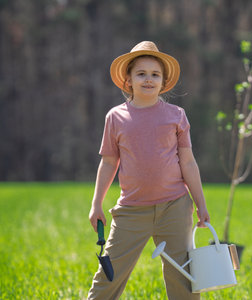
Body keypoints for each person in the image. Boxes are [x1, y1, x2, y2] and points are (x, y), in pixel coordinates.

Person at [88, 41, 210, 300]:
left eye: (155, 74)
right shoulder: (116, 117)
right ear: (128, 80)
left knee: (184, 277)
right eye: (141, 73)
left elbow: (187, 162)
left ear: (164, 82)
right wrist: (96, 203)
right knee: (109, 275)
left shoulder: (176, 115)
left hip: (174, 207)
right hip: (131, 210)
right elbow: (109, 162)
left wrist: (200, 203)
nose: (148, 79)